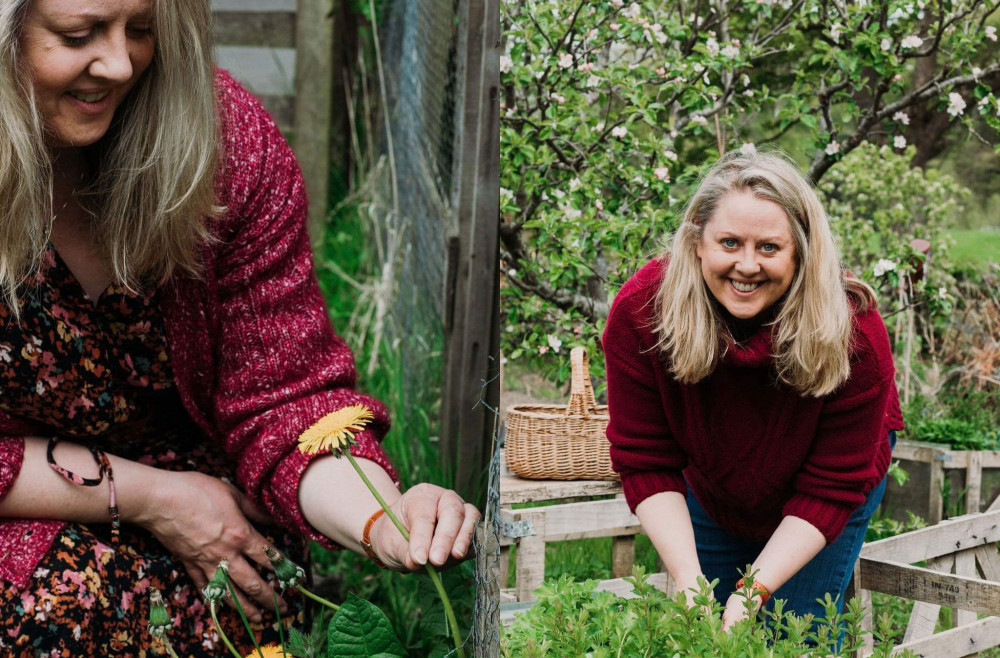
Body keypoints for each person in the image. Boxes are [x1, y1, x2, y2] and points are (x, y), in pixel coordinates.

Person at [0, 0, 479, 654]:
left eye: (141, 29)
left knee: (250, 594)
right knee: (49, 615)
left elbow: (287, 398)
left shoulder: (225, 145)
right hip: (26, 499)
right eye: (78, 34)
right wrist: (153, 498)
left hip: (210, 500)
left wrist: (383, 520)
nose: (118, 63)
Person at [603, 147, 903, 632]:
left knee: (795, 630)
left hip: (823, 484)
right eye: (729, 243)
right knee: (706, 625)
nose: (746, 266)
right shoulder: (643, 312)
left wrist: (753, 591)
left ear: (800, 251)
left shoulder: (854, 333)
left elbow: (831, 487)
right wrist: (688, 580)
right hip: (715, 471)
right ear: (697, 239)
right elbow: (647, 459)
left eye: (769, 247)